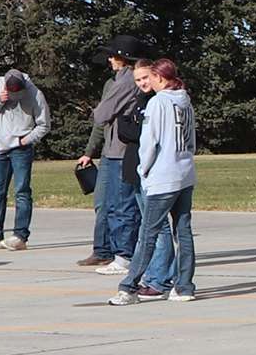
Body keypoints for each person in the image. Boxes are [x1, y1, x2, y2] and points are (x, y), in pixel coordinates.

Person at [111, 58, 198, 305]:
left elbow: (150, 142)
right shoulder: (185, 100)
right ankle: (184, 286)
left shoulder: (159, 102)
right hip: (185, 172)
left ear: (160, 78)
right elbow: (191, 139)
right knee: (184, 232)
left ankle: (128, 288)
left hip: (163, 177)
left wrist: (143, 169)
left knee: (148, 233)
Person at [80, 35, 148, 273]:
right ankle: (112, 251)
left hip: (121, 151)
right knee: (108, 204)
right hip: (110, 150)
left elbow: (101, 114)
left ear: (123, 58)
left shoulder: (127, 81)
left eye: (113, 55)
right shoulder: (119, 79)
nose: (109, 59)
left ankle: (125, 256)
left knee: (123, 206)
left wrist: (101, 110)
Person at [0, 65, 48, 250]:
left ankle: (20, 236)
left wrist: (25, 140)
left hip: (21, 149)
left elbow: (44, 124)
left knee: (22, 192)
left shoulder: (35, 94)